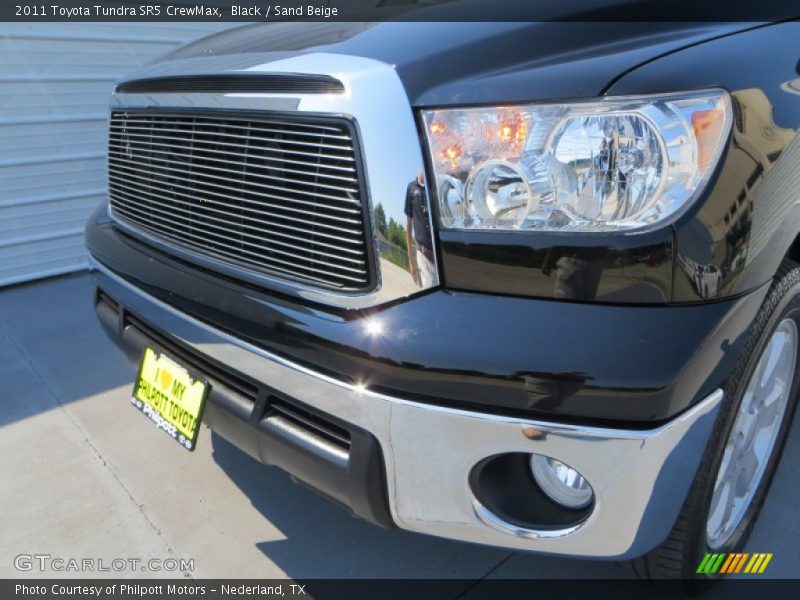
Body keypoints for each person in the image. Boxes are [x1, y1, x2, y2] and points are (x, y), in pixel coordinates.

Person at [404, 170, 436, 287]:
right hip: (423, 253)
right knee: (429, 290)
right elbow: (408, 226)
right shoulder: (411, 187)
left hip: (438, 257)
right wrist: (411, 261)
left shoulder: (433, 188)